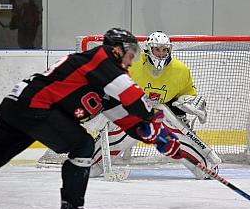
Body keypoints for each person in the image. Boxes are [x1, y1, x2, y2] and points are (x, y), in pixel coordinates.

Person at [0, 28, 183, 209]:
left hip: (18, 106)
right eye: (130, 53)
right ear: (117, 50)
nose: (132, 59)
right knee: (83, 144)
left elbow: (125, 119)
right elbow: (135, 99)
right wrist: (157, 126)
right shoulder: (102, 58)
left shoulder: (104, 79)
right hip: (33, 105)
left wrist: (153, 138)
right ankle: (72, 208)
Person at [90, 31, 221, 180]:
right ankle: (92, 162)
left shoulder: (180, 71)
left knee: (163, 114)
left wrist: (189, 102)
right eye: (157, 49)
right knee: (91, 168)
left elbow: (185, 95)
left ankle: (204, 165)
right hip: (125, 114)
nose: (160, 54)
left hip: (158, 117)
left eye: (164, 50)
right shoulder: (132, 63)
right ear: (148, 49)